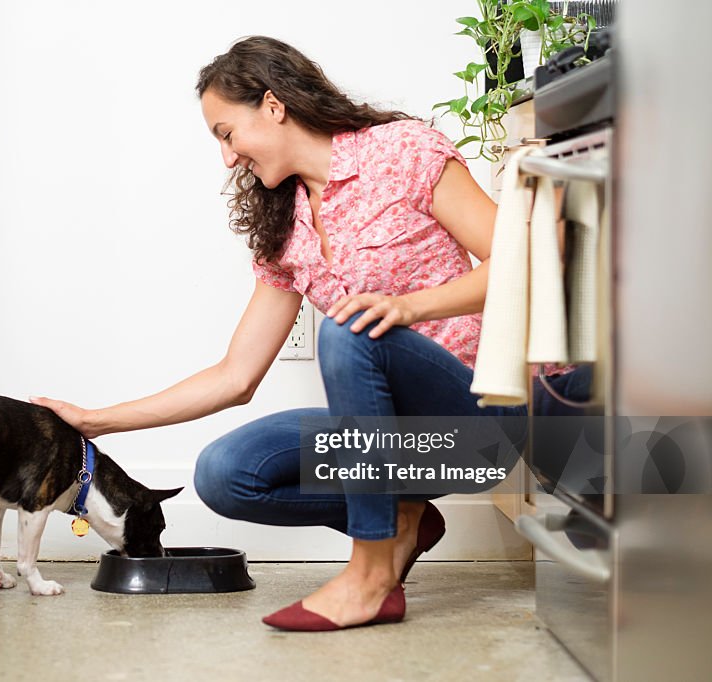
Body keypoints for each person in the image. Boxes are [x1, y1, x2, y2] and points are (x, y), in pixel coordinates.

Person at [31, 36, 539, 631]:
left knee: (350, 328)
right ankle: (407, 516)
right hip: (391, 444)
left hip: (475, 423)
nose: (226, 157)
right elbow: (234, 376)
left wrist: (408, 307)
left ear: (273, 106)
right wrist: (98, 420)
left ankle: (371, 571)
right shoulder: (285, 227)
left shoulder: (401, 152)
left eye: (226, 133)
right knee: (226, 472)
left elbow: (520, 263)